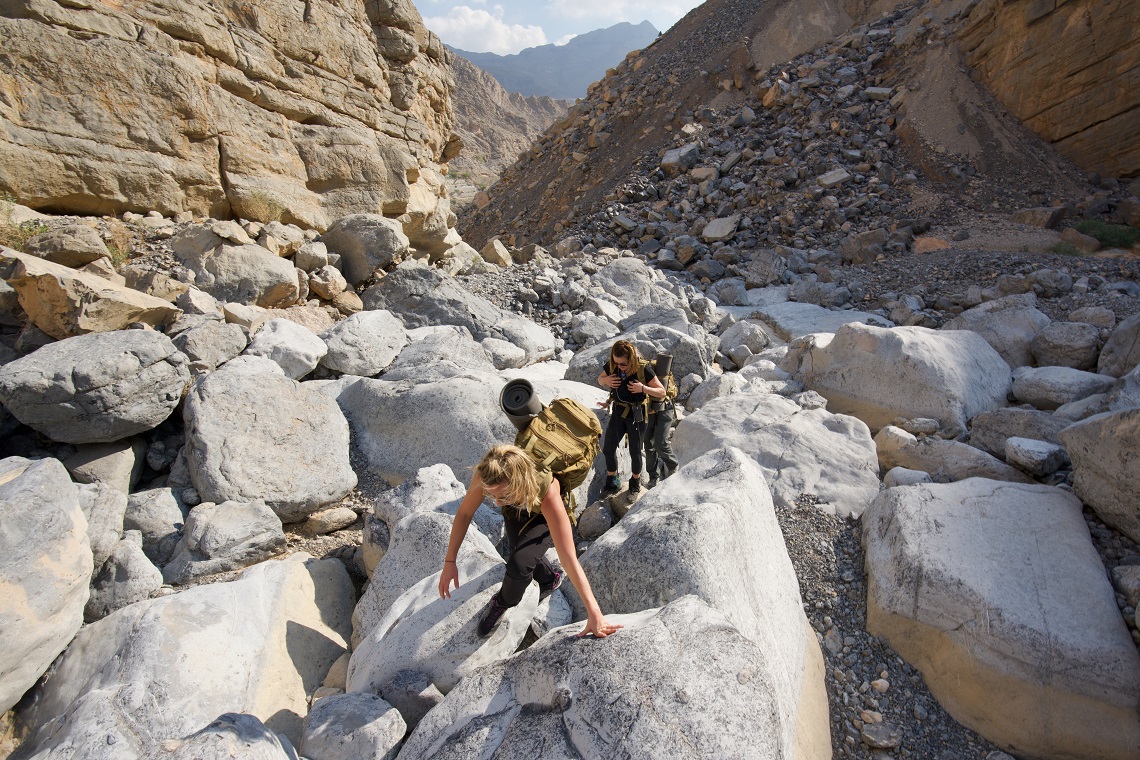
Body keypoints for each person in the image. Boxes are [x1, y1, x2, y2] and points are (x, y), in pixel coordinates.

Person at [438, 444, 623, 639]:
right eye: (492, 495)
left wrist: (595, 613)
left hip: (541, 513)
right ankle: (549, 579)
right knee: (521, 551)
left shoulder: (549, 493)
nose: (496, 503)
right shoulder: (490, 472)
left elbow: (569, 558)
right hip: (516, 504)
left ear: (519, 483)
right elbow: (465, 513)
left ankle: (503, 602)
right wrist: (450, 562)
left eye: (501, 496)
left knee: (519, 565)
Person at [596, 339, 667, 495]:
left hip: (637, 414)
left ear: (632, 360)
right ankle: (612, 479)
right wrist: (606, 380)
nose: (619, 367)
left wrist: (642, 388)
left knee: (635, 451)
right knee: (608, 448)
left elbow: (662, 392)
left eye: (623, 364)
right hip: (618, 411)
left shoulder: (643, 369)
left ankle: (635, 482)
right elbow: (600, 379)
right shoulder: (613, 366)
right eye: (616, 363)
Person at [644, 377, 678, 489]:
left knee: (661, 442)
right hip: (648, 411)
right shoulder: (632, 372)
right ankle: (653, 477)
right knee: (648, 443)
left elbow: (663, 393)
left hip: (664, 408)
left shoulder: (646, 372)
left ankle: (672, 466)